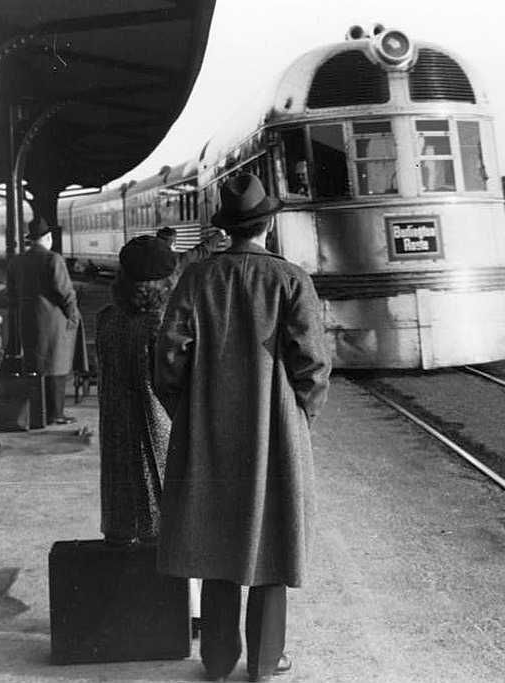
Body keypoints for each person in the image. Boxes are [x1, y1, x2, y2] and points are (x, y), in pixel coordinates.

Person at [154, 173, 331, 682]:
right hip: (274, 431)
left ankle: (216, 659)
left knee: (214, 538)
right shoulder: (292, 279)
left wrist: (187, 412)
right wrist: (299, 420)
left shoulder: (195, 278)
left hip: (207, 428)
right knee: (271, 540)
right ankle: (264, 661)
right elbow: (313, 365)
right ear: (268, 223)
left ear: (226, 229)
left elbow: (168, 360)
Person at [96, 235, 178, 544]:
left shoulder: (105, 320)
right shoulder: (161, 325)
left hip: (116, 437)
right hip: (157, 440)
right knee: (159, 532)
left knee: (121, 527)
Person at [6, 217, 80, 424]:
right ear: (48, 238)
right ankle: (56, 413)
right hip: (54, 321)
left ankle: (38, 411)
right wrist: (73, 315)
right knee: (57, 364)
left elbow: (10, 294)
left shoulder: (17, 261)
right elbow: (65, 292)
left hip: (28, 319)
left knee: (35, 363)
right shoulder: (53, 259)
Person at [156, 225, 227, 272]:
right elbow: (202, 252)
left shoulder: (149, 258)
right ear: (172, 244)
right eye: (175, 242)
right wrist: (220, 235)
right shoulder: (175, 261)